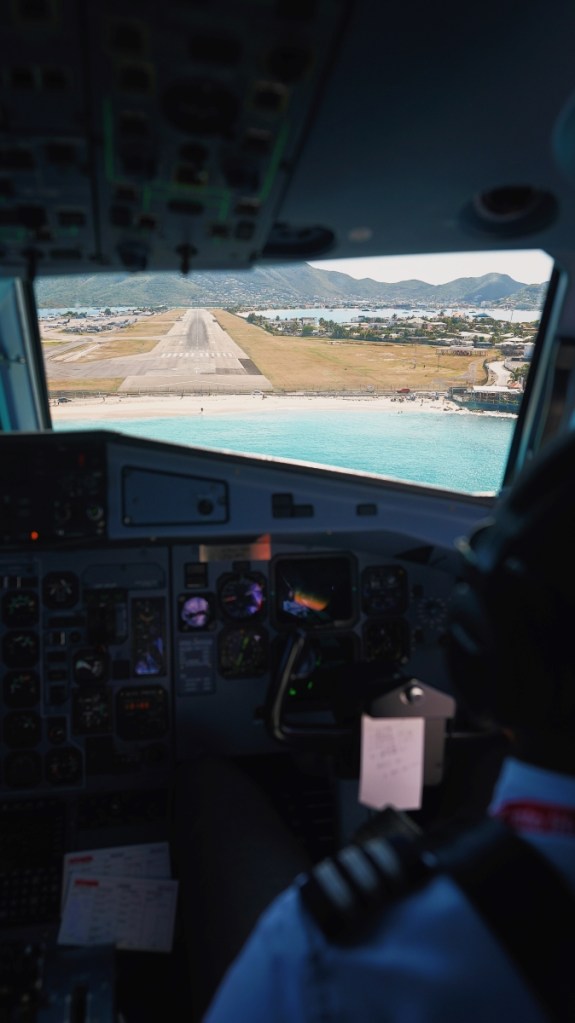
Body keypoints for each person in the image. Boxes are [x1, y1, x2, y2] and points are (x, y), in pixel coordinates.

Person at [198, 430, 575, 1023]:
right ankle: (397, 814)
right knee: (425, 732)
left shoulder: (333, 951)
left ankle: (385, 821)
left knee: (208, 787)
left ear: (490, 654)